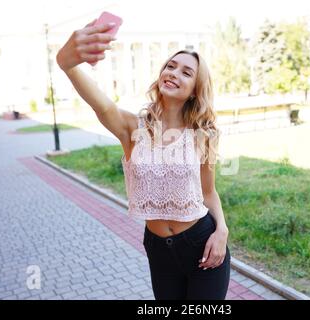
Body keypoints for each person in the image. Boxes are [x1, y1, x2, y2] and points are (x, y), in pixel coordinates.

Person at [56, 20, 230, 300]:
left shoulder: (203, 136)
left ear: (195, 89)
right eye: (170, 66)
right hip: (158, 248)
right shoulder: (132, 128)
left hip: (202, 242)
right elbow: (101, 104)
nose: (174, 73)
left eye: (186, 72)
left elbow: (208, 192)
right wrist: (67, 64)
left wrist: (222, 230)